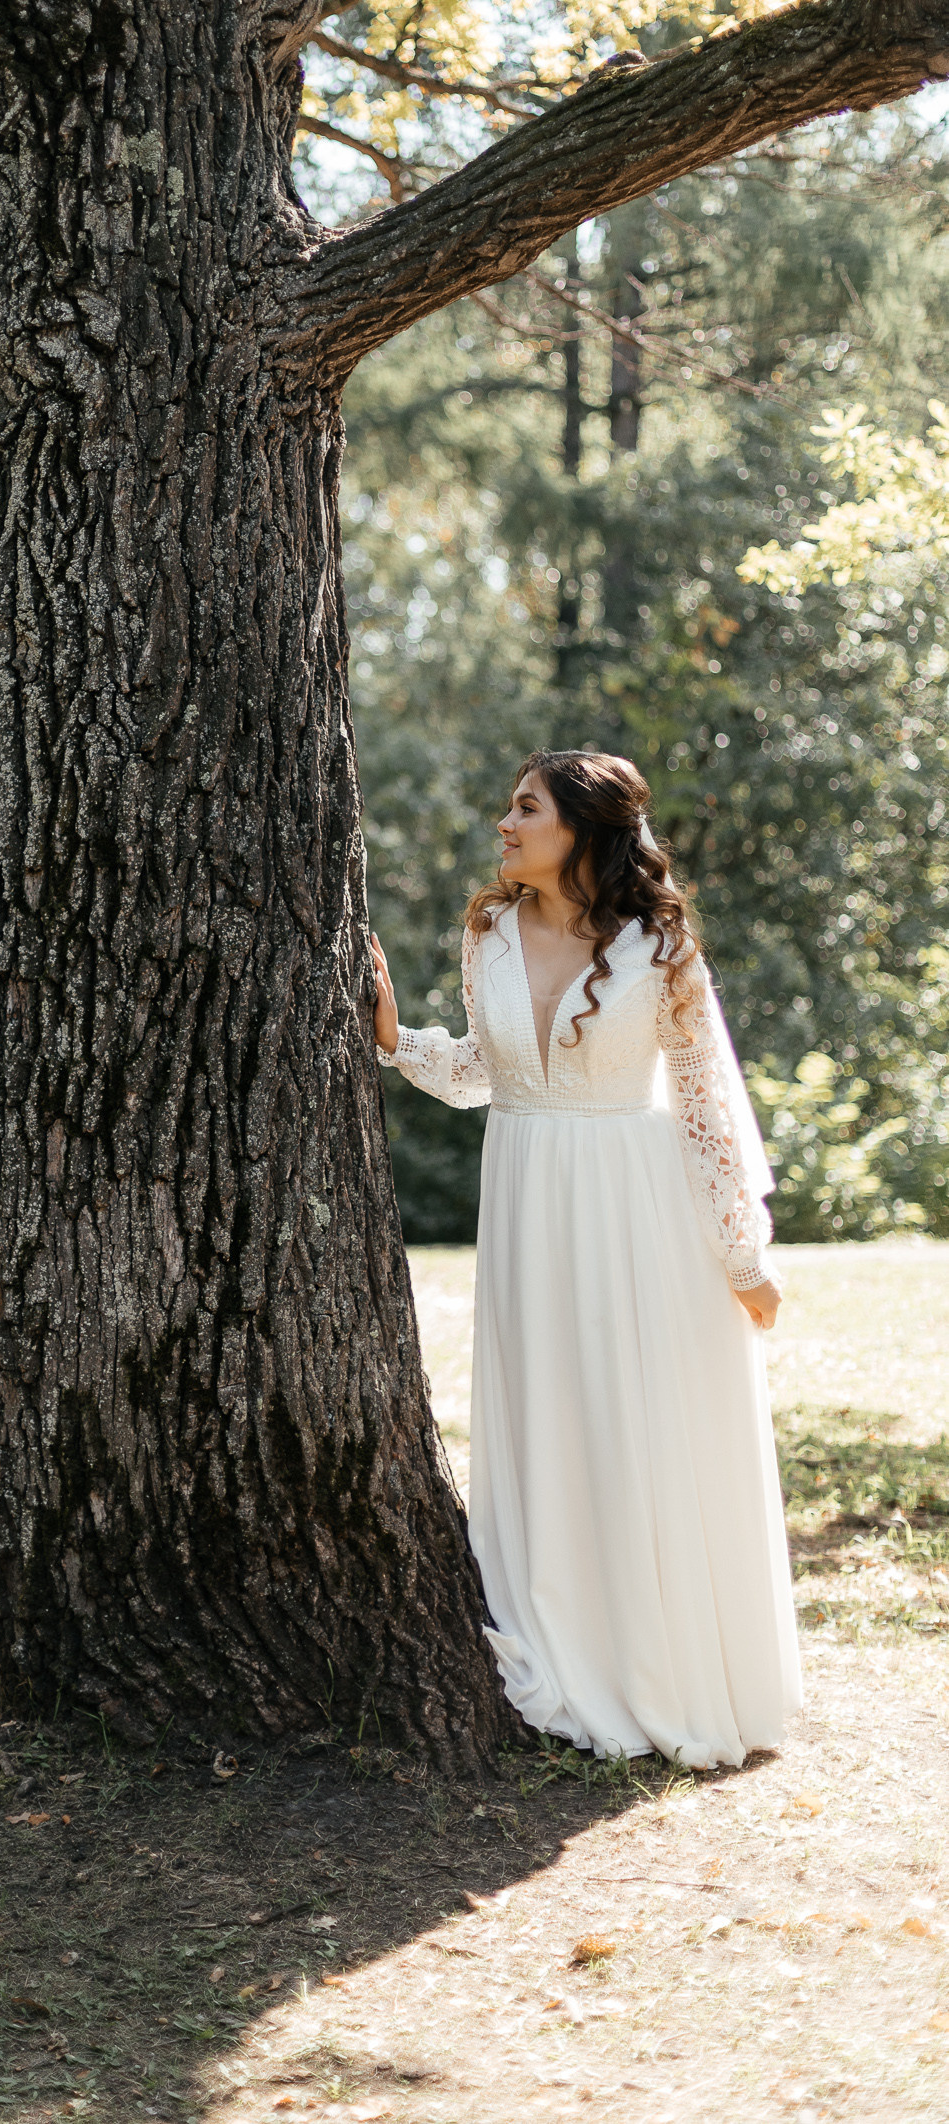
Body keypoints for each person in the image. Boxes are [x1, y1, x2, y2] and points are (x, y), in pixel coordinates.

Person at [371, 748, 800, 1768]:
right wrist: (393, 1037)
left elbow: (702, 1103)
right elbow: (483, 1071)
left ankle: (660, 1658)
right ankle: (566, 1637)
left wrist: (741, 1256)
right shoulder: (487, 933)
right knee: (549, 1411)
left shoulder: (661, 945)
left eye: (524, 807)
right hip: (526, 1194)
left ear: (580, 827)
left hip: (635, 1206)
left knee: (635, 1417)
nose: (504, 823)